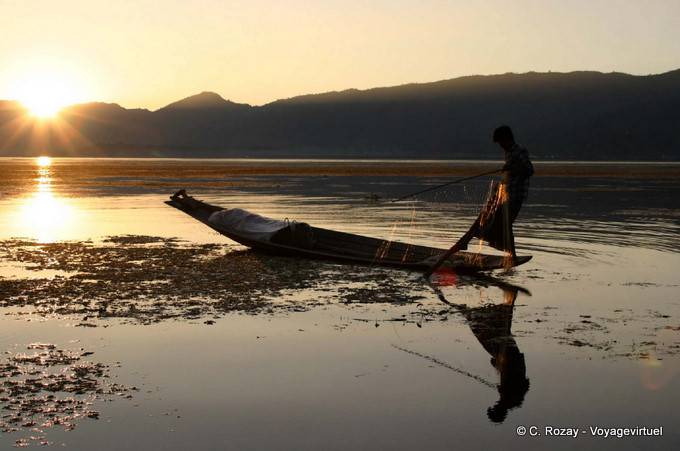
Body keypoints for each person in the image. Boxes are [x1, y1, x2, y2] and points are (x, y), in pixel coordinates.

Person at [492, 125, 534, 223]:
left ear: (507, 139)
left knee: (506, 223)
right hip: (509, 195)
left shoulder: (520, 151)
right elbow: (510, 175)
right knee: (503, 222)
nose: (500, 145)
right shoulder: (508, 153)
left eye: (501, 142)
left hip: (516, 196)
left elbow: (529, 170)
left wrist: (512, 168)